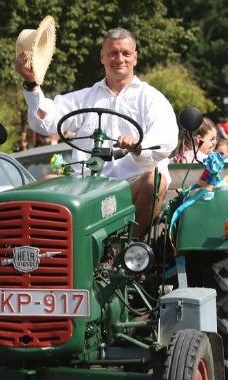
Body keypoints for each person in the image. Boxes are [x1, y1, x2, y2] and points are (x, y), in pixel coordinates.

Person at [15, 27, 178, 238]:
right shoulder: (85, 97)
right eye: (113, 53)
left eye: (126, 53)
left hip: (131, 186)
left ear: (135, 58)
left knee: (154, 180)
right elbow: (45, 122)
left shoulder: (151, 98)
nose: (119, 59)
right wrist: (31, 83)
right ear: (102, 56)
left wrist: (138, 145)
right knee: (47, 181)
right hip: (86, 189)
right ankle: (51, 258)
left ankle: (129, 254)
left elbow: (166, 141)